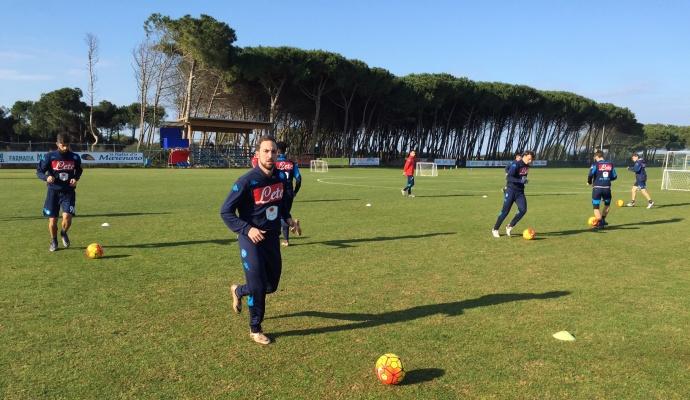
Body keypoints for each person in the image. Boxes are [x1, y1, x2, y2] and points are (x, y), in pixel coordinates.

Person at [220, 136, 301, 345]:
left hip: (272, 239)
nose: (270, 155)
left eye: (273, 151)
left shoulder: (281, 179)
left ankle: (239, 290)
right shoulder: (246, 181)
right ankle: (255, 328)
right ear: (257, 155)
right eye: (265, 151)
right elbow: (225, 211)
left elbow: (282, 205)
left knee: (270, 285)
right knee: (257, 286)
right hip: (251, 240)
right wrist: (247, 229)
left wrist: (290, 219)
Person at [36, 133, 83, 252]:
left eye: (67, 145)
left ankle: (63, 233)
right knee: (53, 221)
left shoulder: (75, 157)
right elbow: (39, 171)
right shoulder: (49, 157)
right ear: (57, 144)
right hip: (53, 193)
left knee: (67, 217)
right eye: (63, 145)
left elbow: (79, 170)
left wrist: (75, 178)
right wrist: (46, 178)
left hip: (68, 192)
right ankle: (54, 240)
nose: (65, 148)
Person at [492, 150, 534, 238]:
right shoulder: (516, 164)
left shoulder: (527, 165)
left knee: (523, 210)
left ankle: (510, 226)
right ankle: (495, 229)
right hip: (511, 191)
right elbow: (508, 177)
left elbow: (522, 176)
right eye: (529, 159)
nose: (530, 161)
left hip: (520, 192)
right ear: (525, 156)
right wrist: (520, 180)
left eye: (532, 160)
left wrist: (524, 180)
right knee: (505, 211)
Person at [275, 141, 302, 246]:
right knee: (285, 214)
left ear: (277, 150)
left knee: (281, 216)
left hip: (277, 192)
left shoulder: (274, 163)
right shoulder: (291, 163)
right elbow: (299, 179)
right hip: (289, 192)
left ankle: (293, 226)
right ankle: (287, 238)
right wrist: (295, 191)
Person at [587, 150, 618, 228]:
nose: (594, 158)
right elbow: (614, 176)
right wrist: (607, 179)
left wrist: (589, 182)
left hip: (597, 188)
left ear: (597, 156)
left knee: (596, 207)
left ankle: (600, 222)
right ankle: (603, 220)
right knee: (607, 205)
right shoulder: (610, 164)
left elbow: (590, 174)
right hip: (607, 188)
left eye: (594, 157)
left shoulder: (595, 164)